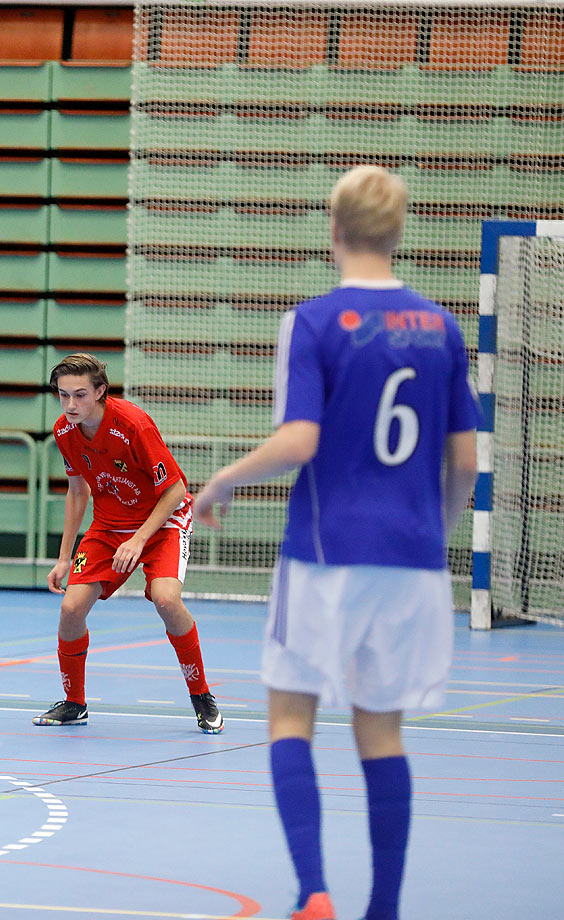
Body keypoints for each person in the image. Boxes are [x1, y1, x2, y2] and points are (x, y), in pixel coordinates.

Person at [194, 166, 479, 920]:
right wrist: (434, 537)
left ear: (334, 230)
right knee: (381, 730)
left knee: (291, 718)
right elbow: (465, 463)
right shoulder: (442, 326)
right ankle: (382, 907)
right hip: (413, 561)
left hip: (325, 556)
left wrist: (220, 482)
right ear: (398, 231)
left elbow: (300, 439)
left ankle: (313, 892)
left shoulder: (314, 321)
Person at [32, 352, 224, 734]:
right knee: (71, 608)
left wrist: (139, 539)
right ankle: (74, 703)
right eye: (63, 395)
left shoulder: (133, 424)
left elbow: (175, 489)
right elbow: (76, 492)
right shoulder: (64, 431)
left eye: (80, 395)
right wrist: (64, 557)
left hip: (162, 521)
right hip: (108, 526)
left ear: (101, 391)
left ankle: (201, 695)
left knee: (166, 599)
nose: (71, 404)